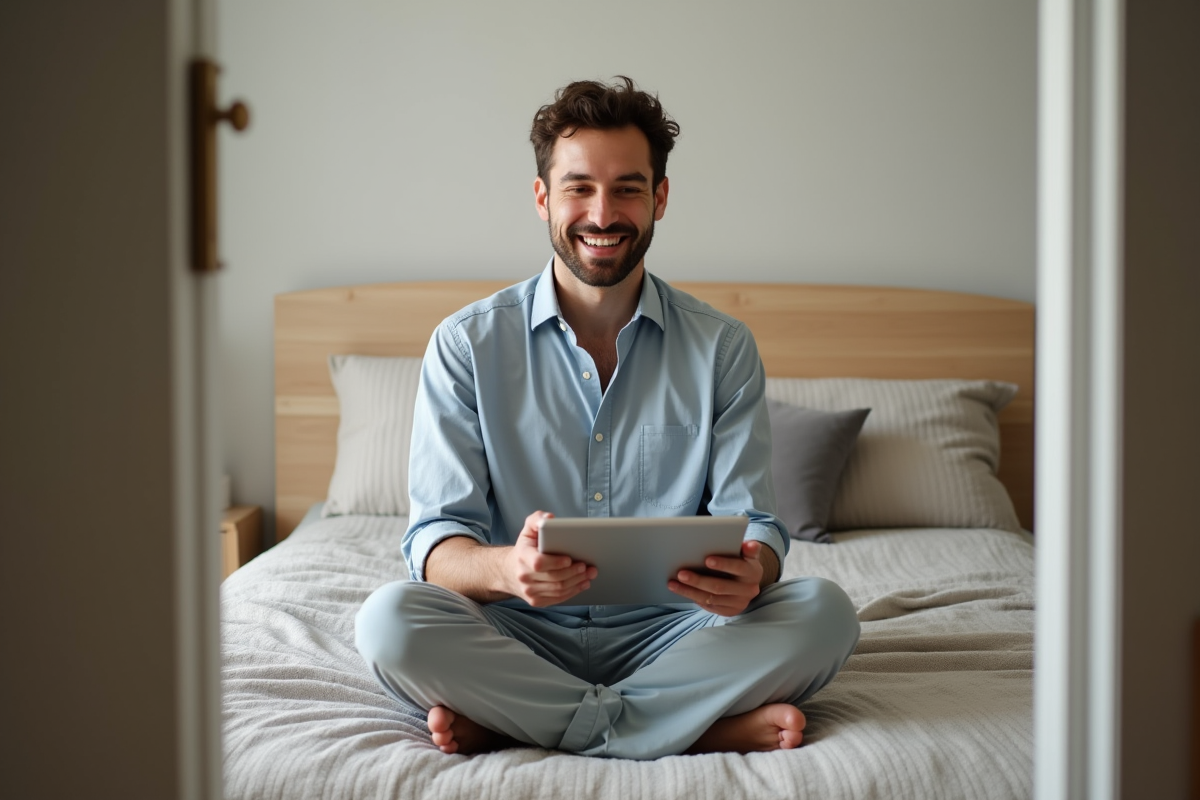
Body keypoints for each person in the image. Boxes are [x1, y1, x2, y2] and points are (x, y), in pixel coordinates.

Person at [355, 76, 859, 760]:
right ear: (542, 198)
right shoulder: (464, 345)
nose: (602, 212)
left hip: (681, 633)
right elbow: (436, 544)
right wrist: (509, 570)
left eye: (627, 187)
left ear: (660, 198)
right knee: (390, 622)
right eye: (578, 187)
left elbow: (758, 524)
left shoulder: (723, 347)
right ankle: (694, 729)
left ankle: (521, 724)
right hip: (518, 631)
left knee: (824, 615)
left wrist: (757, 570)